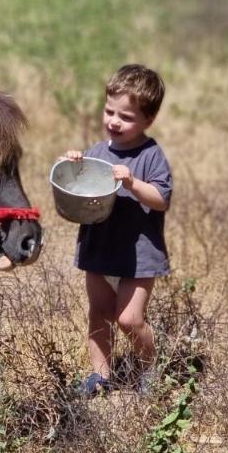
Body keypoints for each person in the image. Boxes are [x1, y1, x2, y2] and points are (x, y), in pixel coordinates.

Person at [64, 64, 173, 396]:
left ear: (147, 120)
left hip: (139, 252)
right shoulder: (98, 152)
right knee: (99, 312)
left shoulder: (151, 155)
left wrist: (131, 181)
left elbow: (161, 199)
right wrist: (74, 165)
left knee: (128, 318)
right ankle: (100, 375)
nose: (114, 121)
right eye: (109, 111)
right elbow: (81, 190)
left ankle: (150, 366)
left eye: (125, 117)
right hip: (99, 245)